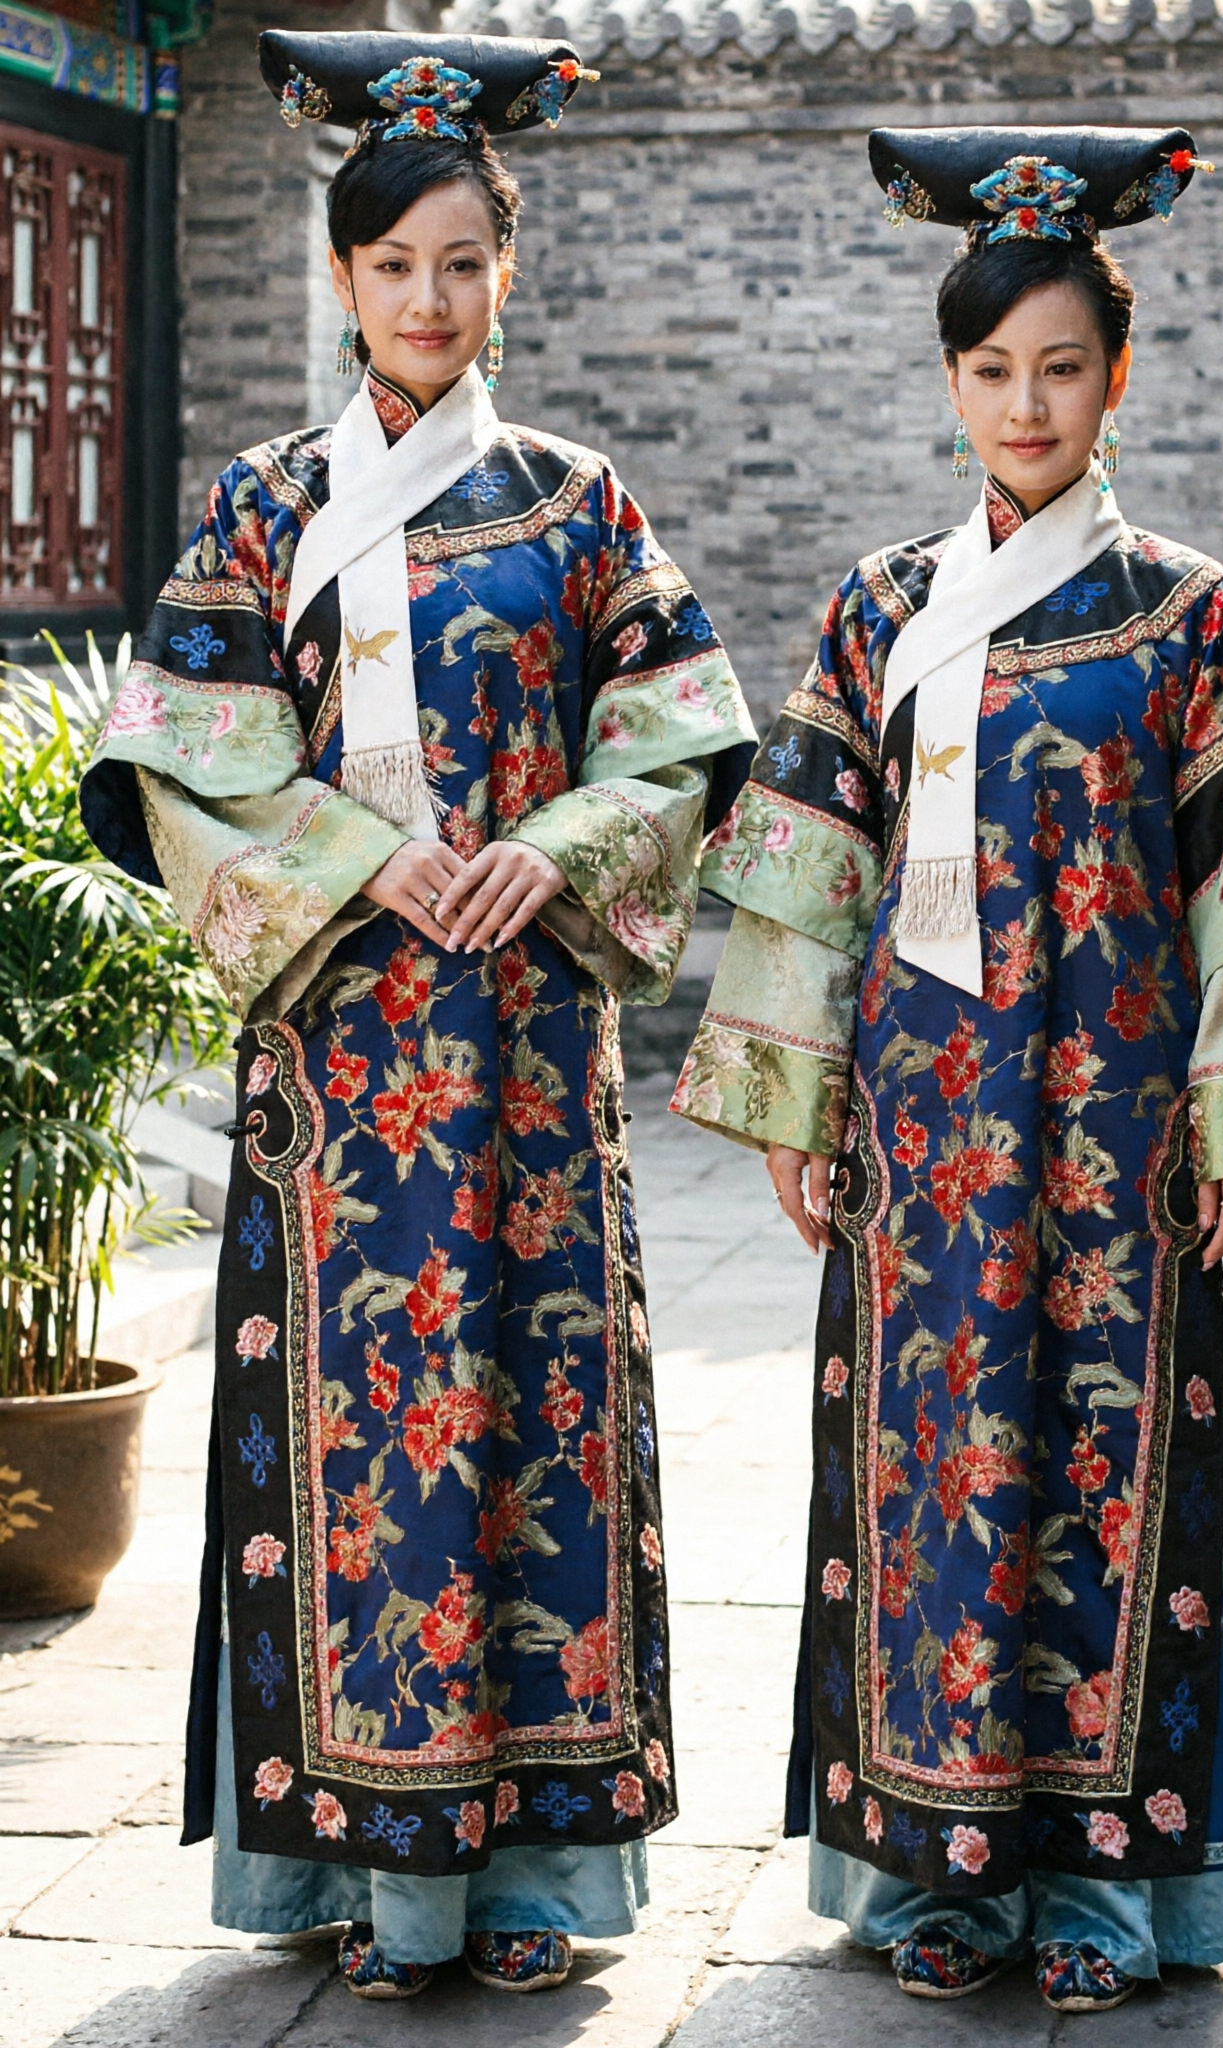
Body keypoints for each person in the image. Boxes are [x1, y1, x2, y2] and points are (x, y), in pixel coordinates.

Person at [671, 124, 1223, 2012]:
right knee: (926, 1478)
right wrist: (791, 1098)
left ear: (1118, 376)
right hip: (922, 1131)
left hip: (1121, 1126)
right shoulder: (878, 607)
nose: (1025, 401)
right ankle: (928, 1873)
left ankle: (1102, 1885)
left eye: (1060, 365)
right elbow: (807, 876)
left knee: (1110, 1469)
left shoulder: (1187, 607)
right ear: (950, 380)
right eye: (991, 369)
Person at [79, 31, 755, 1999]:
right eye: (395, 266)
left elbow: (683, 731)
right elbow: (180, 764)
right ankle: (360, 1876)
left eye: (465, 262)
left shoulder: (575, 503)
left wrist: (547, 852)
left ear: (505, 275)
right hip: (345, 1069)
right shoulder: (262, 508)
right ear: (341, 277)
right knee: (365, 1438)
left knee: (539, 1424)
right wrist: (369, 866)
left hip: (533, 1059)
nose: (431, 299)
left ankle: (539, 1871)